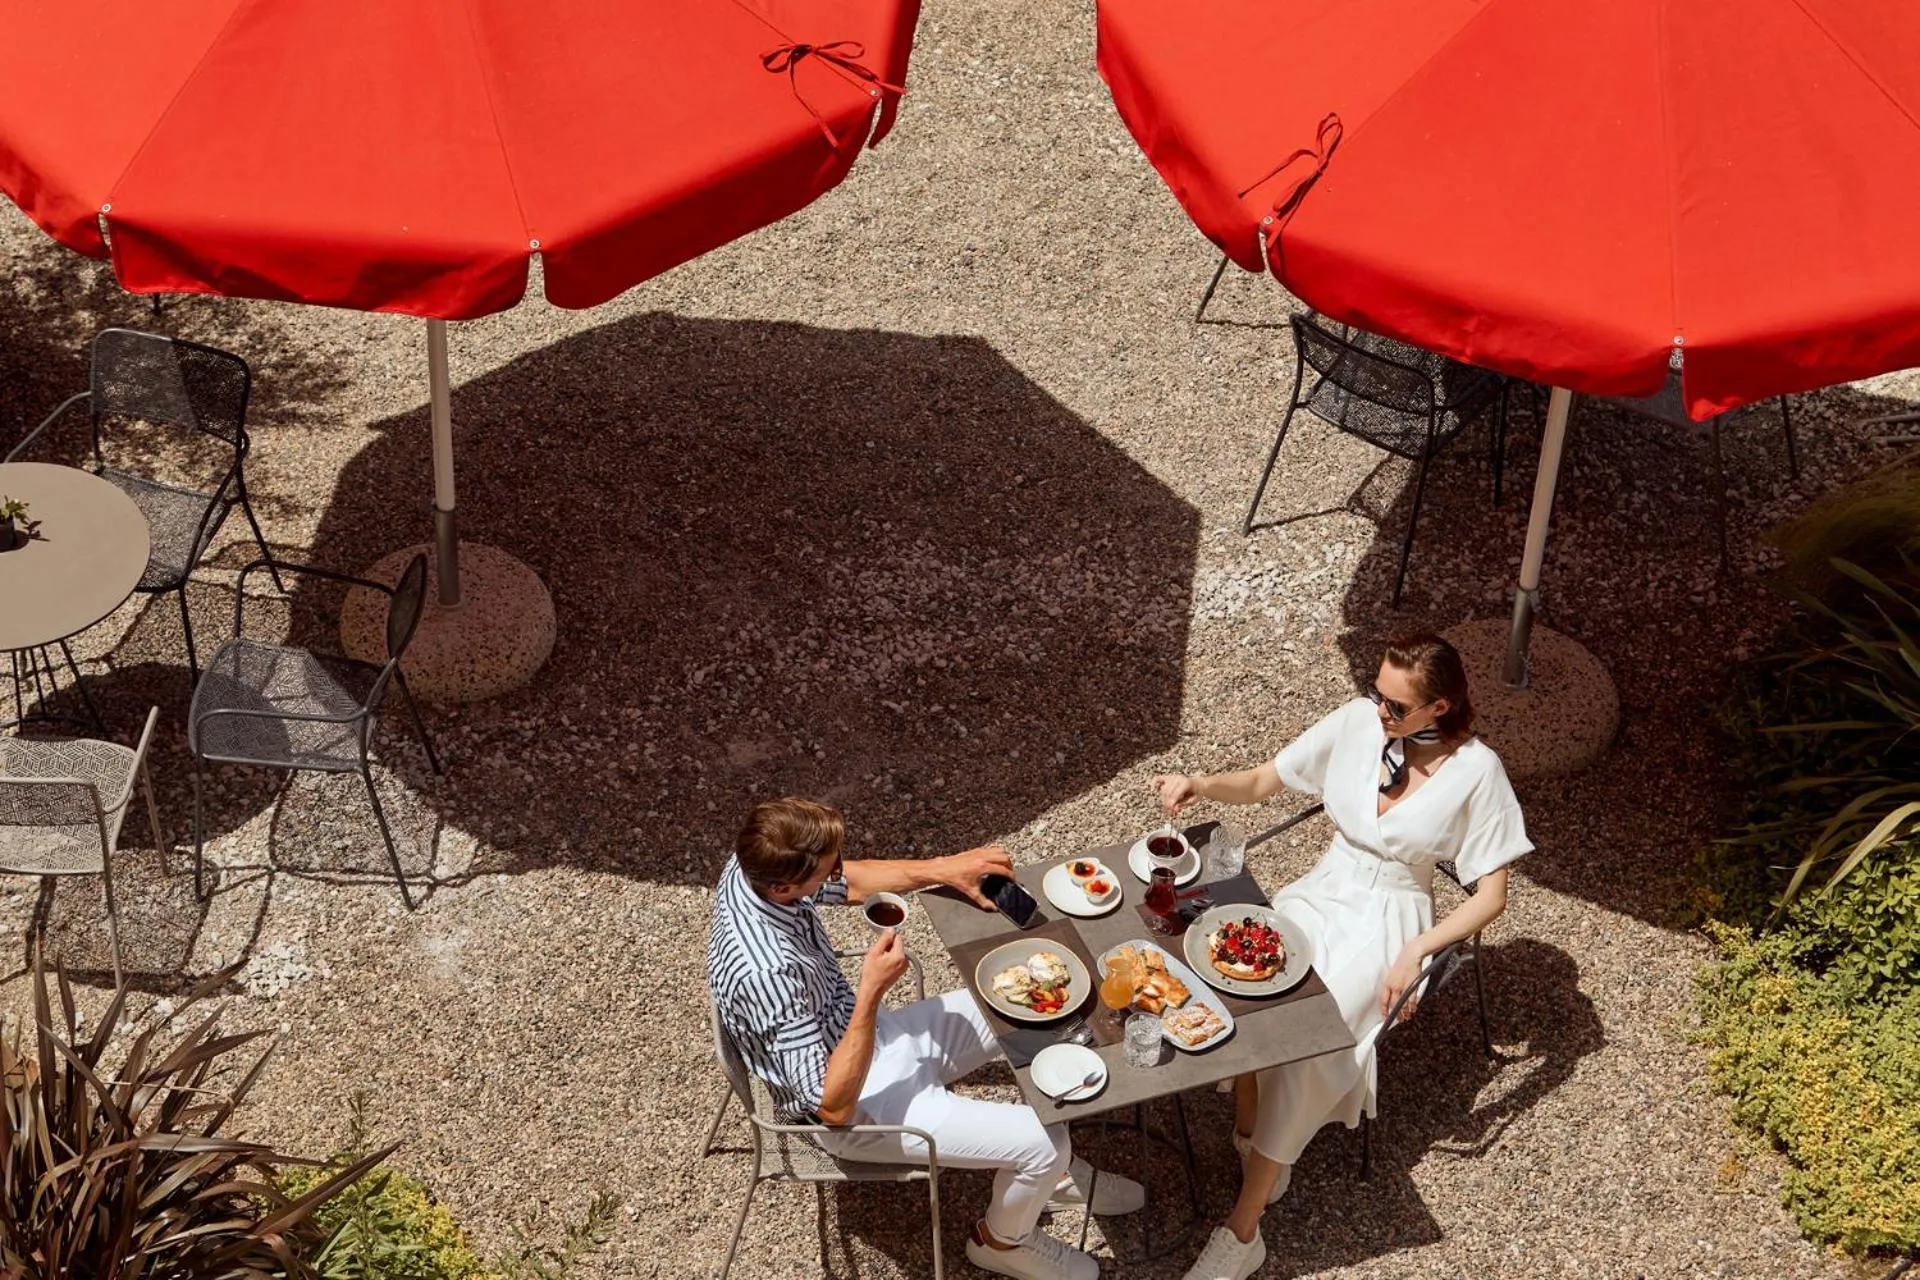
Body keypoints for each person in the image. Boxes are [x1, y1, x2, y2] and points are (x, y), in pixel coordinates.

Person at [1152, 634, 1531, 1280]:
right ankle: (1255, 1138)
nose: (1379, 713)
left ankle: (1243, 1231)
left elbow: (1492, 896)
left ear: (1438, 707)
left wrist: (1420, 949)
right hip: (1322, 889)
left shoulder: (1478, 771)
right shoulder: (1359, 722)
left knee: (1313, 1037)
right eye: (1378, 694)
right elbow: (1268, 779)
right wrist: (1202, 783)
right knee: (1251, 993)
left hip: (1392, 917)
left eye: (1396, 707)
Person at [706, 796, 1146, 1280]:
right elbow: (832, 1107)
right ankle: (1003, 1240)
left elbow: (849, 882)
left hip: (864, 1036)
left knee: (1026, 998)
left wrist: (946, 868)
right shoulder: (768, 972)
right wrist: (872, 991)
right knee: (1045, 1141)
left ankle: (1042, 1180)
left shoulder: (753, 862)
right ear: (786, 885)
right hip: (856, 1104)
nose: (836, 875)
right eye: (825, 871)